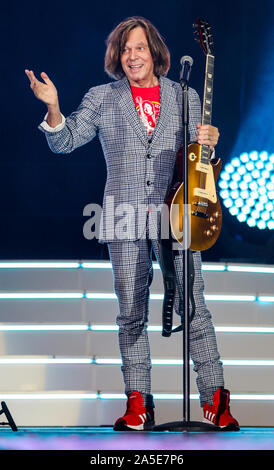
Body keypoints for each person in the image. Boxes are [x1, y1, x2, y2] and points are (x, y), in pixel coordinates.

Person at [25, 16, 239, 431]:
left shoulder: (185, 95)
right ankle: (139, 403)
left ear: (154, 52)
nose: (131, 55)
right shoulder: (103, 98)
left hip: (176, 210)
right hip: (123, 216)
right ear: (116, 58)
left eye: (139, 47)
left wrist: (212, 147)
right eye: (124, 50)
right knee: (131, 312)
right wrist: (53, 107)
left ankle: (215, 398)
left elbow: (201, 164)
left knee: (194, 305)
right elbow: (66, 140)